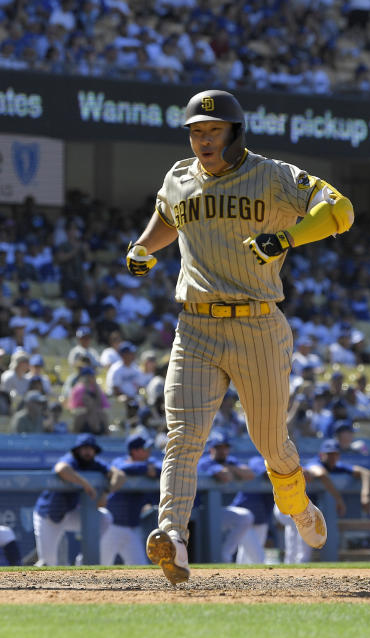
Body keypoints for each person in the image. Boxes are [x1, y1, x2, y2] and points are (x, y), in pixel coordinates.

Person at [125, 89, 353, 584]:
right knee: (183, 437)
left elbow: (341, 210)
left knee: (270, 442)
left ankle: (298, 507)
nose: (203, 140)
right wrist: (145, 245)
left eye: (212, 131)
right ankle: (173, 538)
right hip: (196, 325)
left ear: (234, 132)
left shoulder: (271, 175)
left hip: (257, 324)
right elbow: (170, 214)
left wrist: (288, 237)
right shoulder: (179, 176)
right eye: (195, 131)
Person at [32, 434, 124, 566]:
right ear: (77, 450)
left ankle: (83, 561)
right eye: (84, 448)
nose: (88, 452)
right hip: (49, 516)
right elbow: (61, 469)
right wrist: (85, 484)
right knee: (48, 563)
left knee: (105, 517)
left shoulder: (94, 464)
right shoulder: (72, 460)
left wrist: (106, 493)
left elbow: (119, 475)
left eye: (91, 448)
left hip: (69, 513)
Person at [278, 439, 370, 564]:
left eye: (335, 454)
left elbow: (365, 473)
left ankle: (290, 572)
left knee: (297, 544)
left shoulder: (337, 466)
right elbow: (321, 474)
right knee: (301, 544)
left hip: (300, 507)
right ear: (322, 455)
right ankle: (293, 571)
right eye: (329, 454)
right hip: (288, 503)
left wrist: (365, 494)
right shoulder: (315, 463)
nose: (332, 457)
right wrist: (339, 500)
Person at [196, 431, 255, 562]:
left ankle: (225, 553)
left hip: (218, 511)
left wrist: (230, 468)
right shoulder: (204, 462)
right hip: (200, 513)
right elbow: (225, 476)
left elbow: (250, 474)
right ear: (211, 449)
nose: (223, 451)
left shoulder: (230, 461)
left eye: (225, 447)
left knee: (245, 517)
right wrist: (233, 470)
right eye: (219, 447)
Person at [101, 433, 159, 565]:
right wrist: (145, 469)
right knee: (100, 564)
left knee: (140, 566)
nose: (149, 451)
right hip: (112, 527)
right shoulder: (119, 461)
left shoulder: (150, 462)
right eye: (145, 449)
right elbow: (122, 468)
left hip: (132, 527)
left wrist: (146, 469)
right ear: (134, 451)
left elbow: (162, 469)